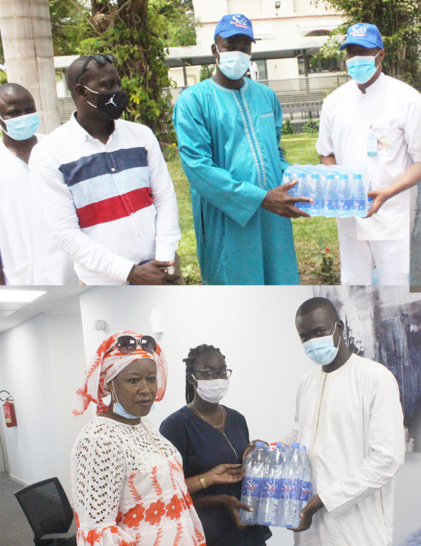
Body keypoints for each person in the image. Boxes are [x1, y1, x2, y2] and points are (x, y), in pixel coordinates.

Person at [174, 14, 308, 285]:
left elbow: (276, 151)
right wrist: (259, 197)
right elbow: (198, 168)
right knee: (237, 288)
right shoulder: (193, 101)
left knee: (279, 280)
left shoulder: (265, 96)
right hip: (228, 218)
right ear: (215, 50)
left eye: (245, 47)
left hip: (274, 214)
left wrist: (296, 182)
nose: (238, 53)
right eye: (230, 45)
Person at [29, 55, 182, 285]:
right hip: (105, 284)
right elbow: (65, 233)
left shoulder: (141, 136)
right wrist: (130, 272)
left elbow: (165, 198)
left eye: (118, 83)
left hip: (161, 270)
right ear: (81, 92)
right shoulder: (50, 154)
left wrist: (164, 259)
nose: (118, 92)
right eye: (107, 86)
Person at [316, 23, 421, 286]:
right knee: (354, 284)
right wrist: (337, 185)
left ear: (380, 54)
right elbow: (326, 153)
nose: (355, 59)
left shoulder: (408, 100)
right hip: (349, 215)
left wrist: (387, 193)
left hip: (392, 214)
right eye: (350, 53)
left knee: (396, 288)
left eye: (363, 52)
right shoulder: (333, 103)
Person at [284, 297, 405, 544]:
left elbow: (387, 458)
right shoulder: (307, 381)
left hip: (356, 525)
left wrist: (326, 499)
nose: (312, 342)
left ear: (339, 328)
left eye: (319, 332)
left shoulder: (375, 378)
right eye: (305, 337)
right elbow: (301, 433)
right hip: (308, 522)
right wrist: (270, 447)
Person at [70, 331, 207, 545]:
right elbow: (98, 531)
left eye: (151, 379)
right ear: (111, 384)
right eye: (133, 380)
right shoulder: (99, 438)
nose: (146, 390)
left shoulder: (144, 426)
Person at [160, 345, 272, 545]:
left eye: (222, 372)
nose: (218, 378)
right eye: (209, 373)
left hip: (248, 529)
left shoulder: (237, 419)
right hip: (209, 533)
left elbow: (239, 474)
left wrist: (254, 458)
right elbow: (167, 492)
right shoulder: (176, 426)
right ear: (191, 378)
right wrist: (219, 499)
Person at [0, 83, 76, 285]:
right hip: (22, 269)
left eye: (29, 110)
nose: (23, 116)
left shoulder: (57, 149)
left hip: (69, 264)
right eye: (13, 113)